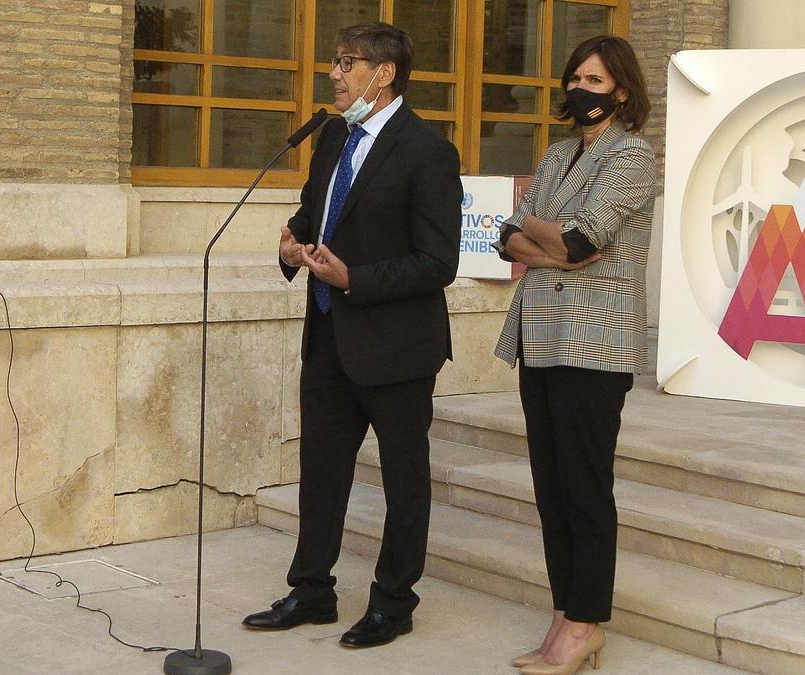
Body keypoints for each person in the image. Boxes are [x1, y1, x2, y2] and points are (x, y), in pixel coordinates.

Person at [241, 22, 462, 649]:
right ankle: (312, 592)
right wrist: (292, 246)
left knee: (403, 481)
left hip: (396, 348)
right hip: (330, 338)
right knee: (322, 472)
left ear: (384, 73)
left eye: (346, 63)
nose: (334, 74)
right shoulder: (333, 136)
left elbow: (437, 262)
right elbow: (315, 214)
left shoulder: (428, 152)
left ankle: (393, 602)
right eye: (335, 63)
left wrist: (354, 278)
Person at [491, 35, 657, 675]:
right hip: (539, 336)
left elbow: (588, 238)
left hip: (596, 345)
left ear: (621, 90)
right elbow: (511, 235)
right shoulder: (559, 154)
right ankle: (565, 612)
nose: (582, 90)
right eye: (576, 79)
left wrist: (555, 241)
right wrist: (551, 244)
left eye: (596, 80)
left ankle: (585, 624)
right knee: (551, 488)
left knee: (585, 489)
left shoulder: (635, 158)